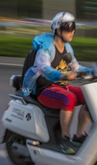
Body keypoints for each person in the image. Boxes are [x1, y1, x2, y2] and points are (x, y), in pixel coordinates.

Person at [22, 12, 92, 154]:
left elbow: (75, 67)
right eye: (68, 28)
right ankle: (64, 139)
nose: (72, 31)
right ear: (58, 30)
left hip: (61, 87)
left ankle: (79, 136)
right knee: (68, 98)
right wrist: (61, 75)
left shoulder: (67, 48)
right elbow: (44, 68)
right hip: (45, 89)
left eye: (74, 28)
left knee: (90, 97)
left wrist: (93, 71)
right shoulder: (47, 48)